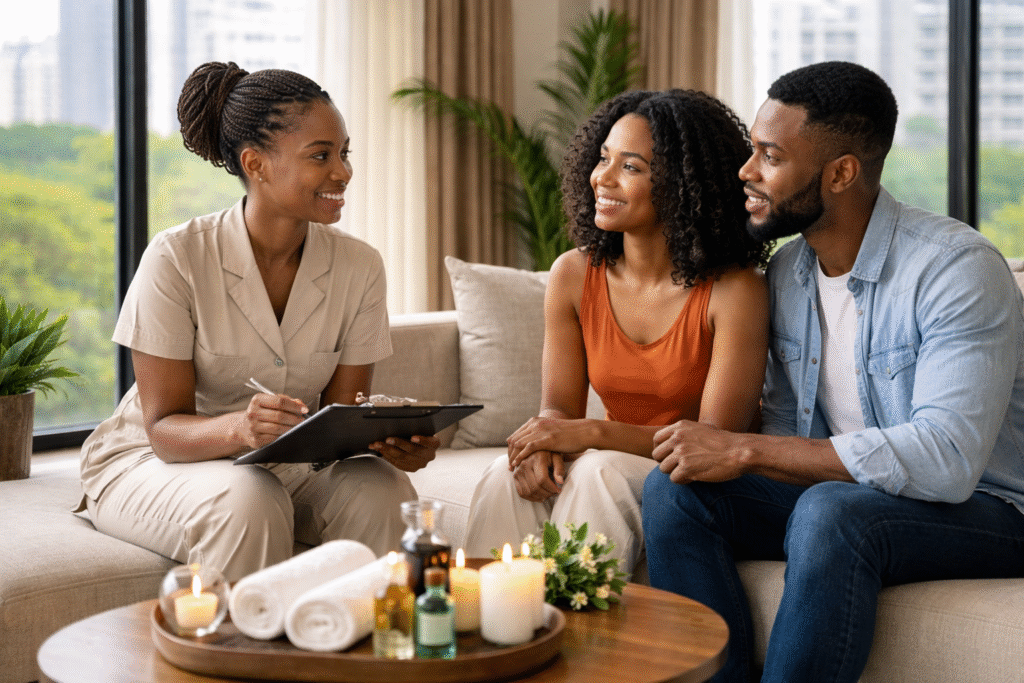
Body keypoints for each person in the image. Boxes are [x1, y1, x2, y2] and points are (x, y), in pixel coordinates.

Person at [642, 61, 1024, 682]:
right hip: (850, 500)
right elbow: (787, 427)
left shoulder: (956, 269)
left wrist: (742, 451)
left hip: (990, 509)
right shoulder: (788, 274)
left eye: (770, 155)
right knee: (675, 490)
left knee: (831, 510)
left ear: (841, 172)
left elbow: (947, 462)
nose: (747, 171)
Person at [78, 62, 439, 583]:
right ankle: (242, 661)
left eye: (344, 153)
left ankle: (374, 655)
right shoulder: (177, 258)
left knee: (381, 488)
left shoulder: (360, 266)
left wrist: (392, 440)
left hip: (287, 462)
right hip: (156, 462)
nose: (343, 172)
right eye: (321, 156)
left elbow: (340, 416)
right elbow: (163, 431)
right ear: (256, 164)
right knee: (251, 498)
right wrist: (240, 428)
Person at [463, 89, 772, 576]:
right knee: (506, 477)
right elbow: (558, 410)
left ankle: (581, 641)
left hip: (691, 481)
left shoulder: (735, 291)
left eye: (630, 167)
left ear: (683, 185)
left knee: (598, 472)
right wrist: (539, 446)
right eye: (603, 158)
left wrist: (592, 432)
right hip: (611, 457)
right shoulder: (572, 274)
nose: (601, 178)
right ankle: (484, 633)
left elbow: (712, 443)